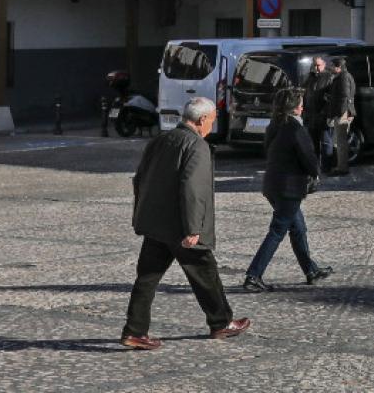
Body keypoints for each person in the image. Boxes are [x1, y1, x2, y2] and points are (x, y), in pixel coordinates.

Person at [122, 97, 249, 350]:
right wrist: (194, 228)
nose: (212, 125)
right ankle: (221, 322)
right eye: (212, 120)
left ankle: (134, 331)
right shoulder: (196, 145)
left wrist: (142, 216)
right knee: (205, 273)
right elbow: (193, 189)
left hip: (156, 224)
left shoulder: (161, 139)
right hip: (180, 227)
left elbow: (140, 179)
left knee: (146, 278)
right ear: (202, 120)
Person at [242, 88, 333, 292]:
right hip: (289, 188)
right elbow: (308, 156)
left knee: (298, 228)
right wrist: (316, 173)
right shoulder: (295, 128)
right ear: (293, 107)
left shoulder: (275, 125)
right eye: (300, 102)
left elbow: (270, 151)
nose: (303, 105)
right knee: (277, 231)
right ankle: (253, 275)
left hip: (273, 185)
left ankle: (311, 270)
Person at [327, 58, 357, 175]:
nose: (331, 68)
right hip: (343, 111)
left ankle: (342, 167)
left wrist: (338, 113)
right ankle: (340, 166)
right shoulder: (343, 76)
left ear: (338, 67)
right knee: (339, 141)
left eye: (332, 66)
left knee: (341, 142)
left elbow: (345, 97)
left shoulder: (344, 77)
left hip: (342, 112)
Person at [305, 56, 334, 166]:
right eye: (315, 65)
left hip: (323, 115)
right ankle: (315, 167)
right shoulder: (311, 77)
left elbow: (331, 98)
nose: (316, 68)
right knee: (313, 143)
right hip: (311, 115)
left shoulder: (329, 77)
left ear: (324, 64)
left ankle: (327, 166)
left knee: (326, 142)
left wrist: (324, 112)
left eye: (319, 65)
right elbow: (306, 94)